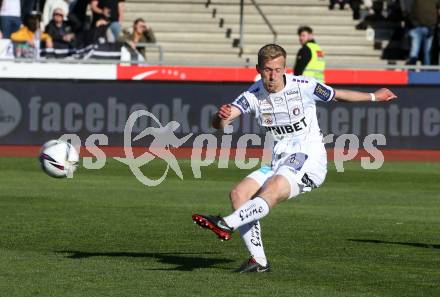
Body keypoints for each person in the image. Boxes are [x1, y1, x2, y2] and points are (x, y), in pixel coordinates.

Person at [192, 44, 397, 273]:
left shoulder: (304, 86)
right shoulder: (253, 95)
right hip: (279, 160)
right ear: (259, 69)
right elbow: (221, 124)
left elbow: (338, 95)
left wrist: (374, 97)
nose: (273, 75)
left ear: (285, 68)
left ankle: (226, 223)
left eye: (278, 69)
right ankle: (259, 261)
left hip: (309, 159)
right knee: (239, 194)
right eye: (268, 69)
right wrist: (220, 118)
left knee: (273, 188)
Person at [404, 0, 440, 65]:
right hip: (421, 27)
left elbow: (409, 11)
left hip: (426, 27)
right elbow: (409, 10)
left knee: (419, 51)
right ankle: (421, 70)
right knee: (424, 51)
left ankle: (416, 70)